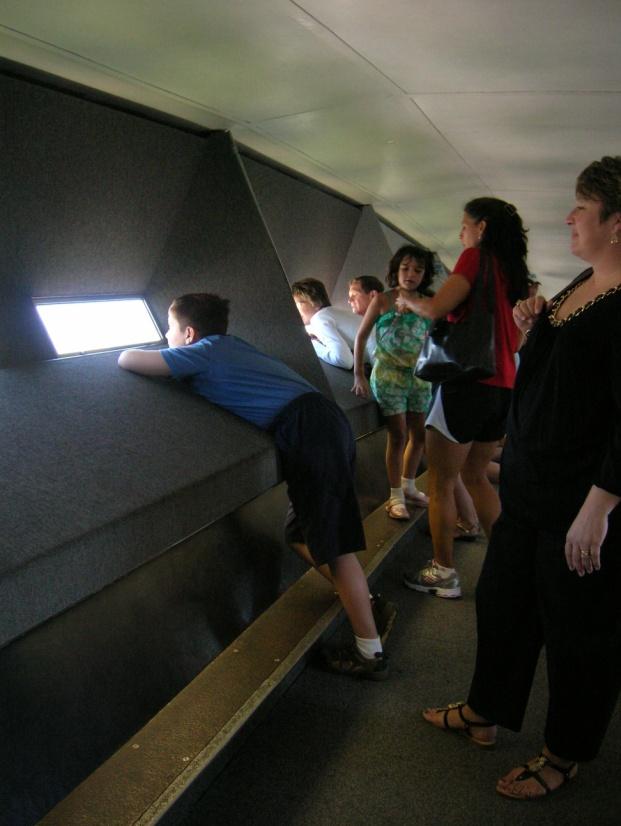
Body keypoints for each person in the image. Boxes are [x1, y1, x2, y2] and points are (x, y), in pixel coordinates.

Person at [422, 156, 621, 799]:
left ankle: (563, 753)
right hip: (533, 483)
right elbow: (561, 376)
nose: (568, 218)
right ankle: (487, 709)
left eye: (582, 210)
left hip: (582, 497)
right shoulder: (583, 286)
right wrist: (535, 328)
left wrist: (598, 509)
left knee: (578, 633)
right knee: (504, 603)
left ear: (617, 225)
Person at [118, 293, 395, 679]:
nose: (167, 335)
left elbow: (127, 360)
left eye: (170, 329)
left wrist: (153, 348)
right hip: (320, 423)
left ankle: (370, 653)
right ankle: (365, 602)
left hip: (307, 430)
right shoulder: (231, 346)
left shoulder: (202, 351)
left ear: (190, 333)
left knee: (334, 546)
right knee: (299, 534)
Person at [399, 198, 530, 597]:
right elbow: (519, 336)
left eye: (465, 225)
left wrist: (408, 301)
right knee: (476, 477)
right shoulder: (515, 273)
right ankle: (513, 568)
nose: (461, 234)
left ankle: (444, 572)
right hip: (502, 387)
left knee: (441, 481)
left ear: (482, 227)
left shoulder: (476, 258)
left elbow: (437, 307)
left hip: (465, 385)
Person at [352, 245, 434, 519]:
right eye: (405, 268)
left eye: (418, 270)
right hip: (389, 375)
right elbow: (361, 336)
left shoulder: (427, 302)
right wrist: (358, 374)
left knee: (419, 434)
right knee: (398, 434)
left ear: (425, 274)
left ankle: (409, 485)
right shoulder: (383, 300)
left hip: (419, 377)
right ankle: (395, 495)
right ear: (395, 269)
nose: (411, 274)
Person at [291, 278, 373, 369]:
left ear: (317, 303)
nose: (295, 310)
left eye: (298, 304)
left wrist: (313, 345)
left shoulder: (319, 319)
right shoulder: (334, 313)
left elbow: (344, 360)